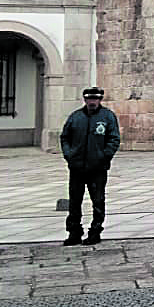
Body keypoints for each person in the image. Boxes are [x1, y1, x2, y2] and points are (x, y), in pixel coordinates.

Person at [60, 87, 122, 245]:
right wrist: (69, 155)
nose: (92, 102)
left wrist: (104, 156)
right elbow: (65, 137)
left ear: (100, 100)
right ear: (85, 100)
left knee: (98, 201)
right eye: (89, 99)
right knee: (75, 201)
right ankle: (74, 232)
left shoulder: (107, 116)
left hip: (97, 168)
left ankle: (95, 231)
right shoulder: (76, 117)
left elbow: (114, 139)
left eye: (95, 99)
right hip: (77, 167)